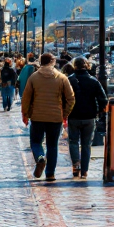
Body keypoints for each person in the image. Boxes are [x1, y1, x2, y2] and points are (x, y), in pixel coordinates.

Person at [21, 52, 75, 182]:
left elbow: (26, 98)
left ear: (40, 62)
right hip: (55, 117)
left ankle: (40, 157)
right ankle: (50, 173)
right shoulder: (62, 78)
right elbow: (71, 98)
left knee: (35, 142)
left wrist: (26, 114)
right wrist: (65, 113)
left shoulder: (34, 77)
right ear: (53, 62)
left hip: (37, 116)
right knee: (52, 145)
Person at [67, 56, 108, 179]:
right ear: (87, 65)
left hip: (73, 115)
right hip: (89, 117)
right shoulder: (93, 81)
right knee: (86, 144)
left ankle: (76, 165)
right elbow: (103, 99)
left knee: (73, 142)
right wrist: (99, 112)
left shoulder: (69, 80)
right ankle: (84, 171)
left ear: (74, 66)